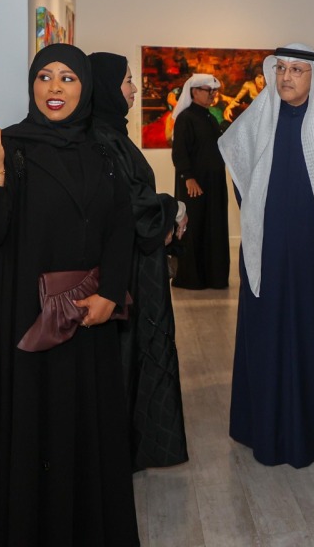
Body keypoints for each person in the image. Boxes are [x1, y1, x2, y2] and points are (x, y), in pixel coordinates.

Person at [0, 43, 139, 546]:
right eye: (45, 77)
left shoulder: (101, 151)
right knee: (31, 437)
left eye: (67, 79)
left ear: (85, 88)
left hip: (86, 325)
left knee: (82, 439)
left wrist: (110, 294)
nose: (54, 89)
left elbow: (121, 228)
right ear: (32, 85)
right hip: (23, 325)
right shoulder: (5, 147)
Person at [219, 43, 314, 468]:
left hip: (306, 254)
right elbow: (237, 162)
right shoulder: (258, 119)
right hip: (264, 249)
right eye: (280, 69)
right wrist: (261, 213)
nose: (286, 78)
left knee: (303, 335)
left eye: (297, 70)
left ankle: (298, 434)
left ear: (313, 76)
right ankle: (256, 426)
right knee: (262, 333)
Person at [89, 52, 190, 470]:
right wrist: (175, 210)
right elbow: (129, 204)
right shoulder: (101, 137)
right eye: (127, 81)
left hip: (138, 263)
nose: (132, 88)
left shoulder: (112, 132)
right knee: (131, 354)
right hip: (126, 268)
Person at [171, 73, 231, 290]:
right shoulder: (185, 118)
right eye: (209, 91)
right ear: (194, 92)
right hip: (194, 184)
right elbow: (179, 153)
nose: (213, 96)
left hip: (214, 183)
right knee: (194, 229)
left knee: (214, 227)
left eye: (215, 91)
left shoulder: (210, 118)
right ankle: (191, 278)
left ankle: (214, 277)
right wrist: (188, 177)